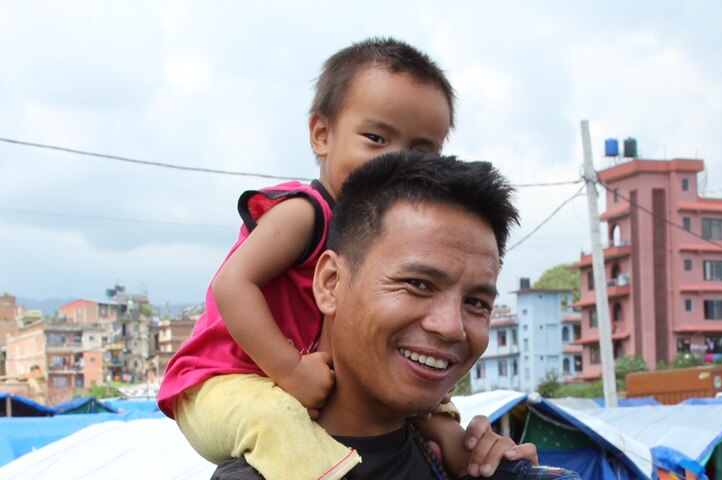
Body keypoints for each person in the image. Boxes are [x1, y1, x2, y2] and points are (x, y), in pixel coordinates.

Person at [157, 38, 531, 479]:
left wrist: (477, 458)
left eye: (420, 150)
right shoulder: (304, 211)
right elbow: (232, 285)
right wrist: (292, 371)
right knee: (278, 421)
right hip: (227, 380)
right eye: (376, 138)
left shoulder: (387, 229)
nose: (397, 160)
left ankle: (452, 441)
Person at [213, 151, 582, 479]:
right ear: (330, 283)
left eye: (476, 303)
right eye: (419, 284)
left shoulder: (464, 463)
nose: (452, 327)